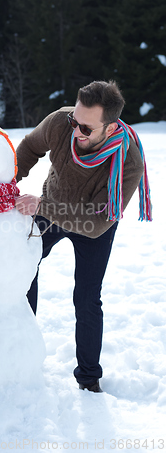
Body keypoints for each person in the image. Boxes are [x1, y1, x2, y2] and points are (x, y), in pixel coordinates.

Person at [15, 80, 152, 393]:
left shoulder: (128, 160)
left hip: (94, 222)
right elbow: (29, 148)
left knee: (87, 298)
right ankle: (20, 355)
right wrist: (4, 183)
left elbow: (98, 222)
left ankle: (89, 378)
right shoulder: (60, 123)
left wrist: (43, 205)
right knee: (22, 272)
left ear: (109, 125)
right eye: (74, 121)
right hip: (49, 208)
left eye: (86, 128)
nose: (77, 130)